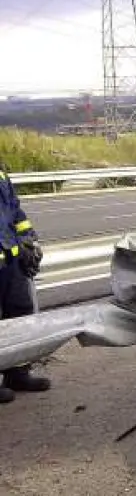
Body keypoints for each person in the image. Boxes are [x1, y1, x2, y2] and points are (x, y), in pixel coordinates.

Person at [0, 168, 48, 404]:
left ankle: (17, 374)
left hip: (11, 260)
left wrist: (28, 239)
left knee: (19, 314)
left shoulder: (1, 174)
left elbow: (15, 211)